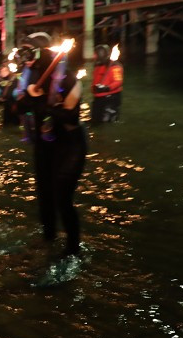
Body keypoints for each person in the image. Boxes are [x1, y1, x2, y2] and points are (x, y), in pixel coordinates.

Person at [18, 46, 88, 257]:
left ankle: (73, 249)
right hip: (44, 145)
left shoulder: (69, 79)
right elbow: (18, 109)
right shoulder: (30, 76)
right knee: (44, 196)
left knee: (62, 197)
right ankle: (48, 238)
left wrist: (42, 105)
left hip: (69, 146)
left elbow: (71, 118)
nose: (28, 62)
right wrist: (28, 98)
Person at [91, 44, 123, 123]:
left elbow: (118, 81)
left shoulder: (115, 66)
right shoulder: (98, 65)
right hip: (98, 98)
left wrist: (107, 88)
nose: (94, 56)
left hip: (110, 99)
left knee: (108, 121)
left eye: (95, 54)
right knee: (95, 120)